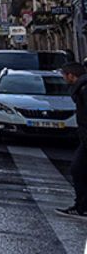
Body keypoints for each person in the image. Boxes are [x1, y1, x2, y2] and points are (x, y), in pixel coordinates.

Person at [59, 62, 87, 219]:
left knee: (78, 169)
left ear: (71, 75)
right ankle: (81, 205)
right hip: (84, 137)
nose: (63, 79)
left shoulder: (84, 89)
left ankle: (81, 206)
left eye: (64, 76)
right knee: (78, 169)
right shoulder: (81, 88)